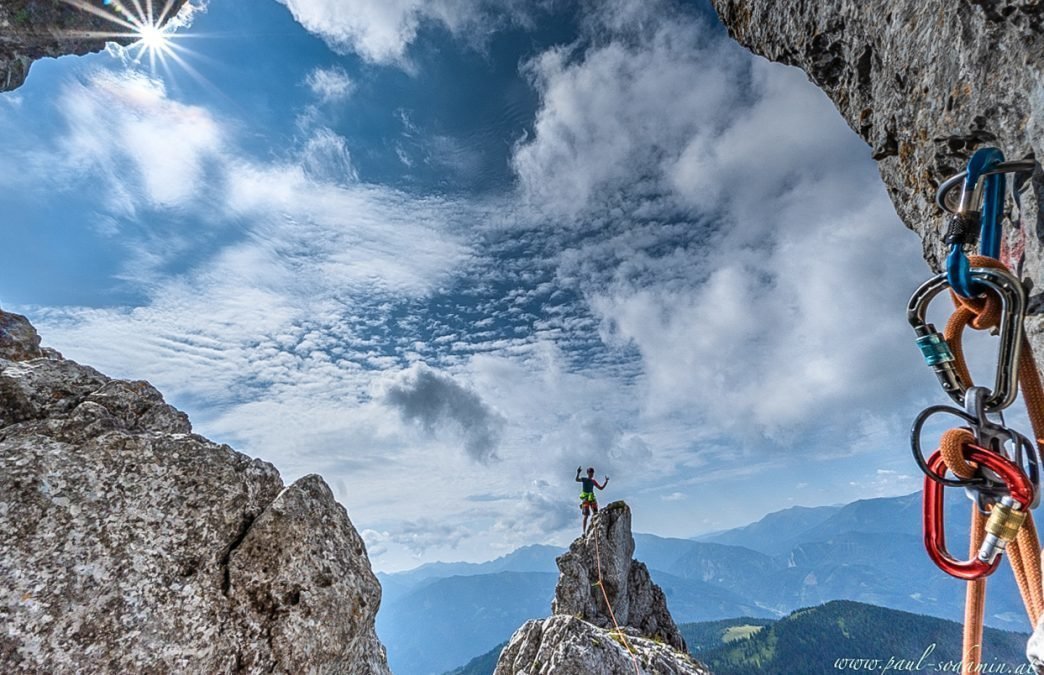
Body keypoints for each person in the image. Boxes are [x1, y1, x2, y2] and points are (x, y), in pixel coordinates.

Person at [575, 466, 609, 533]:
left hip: (591, 497)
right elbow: (577, 479)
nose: (591, 474)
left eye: (592, 473)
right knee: (586, 515)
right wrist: (578, 473)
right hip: (586, 498)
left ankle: (595, 528)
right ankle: (584, 532)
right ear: (587, 473)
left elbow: (601, 488)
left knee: (595, 513)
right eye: (590, 473)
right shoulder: (584, 479)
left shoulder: (593, 481)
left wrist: (606, 482)